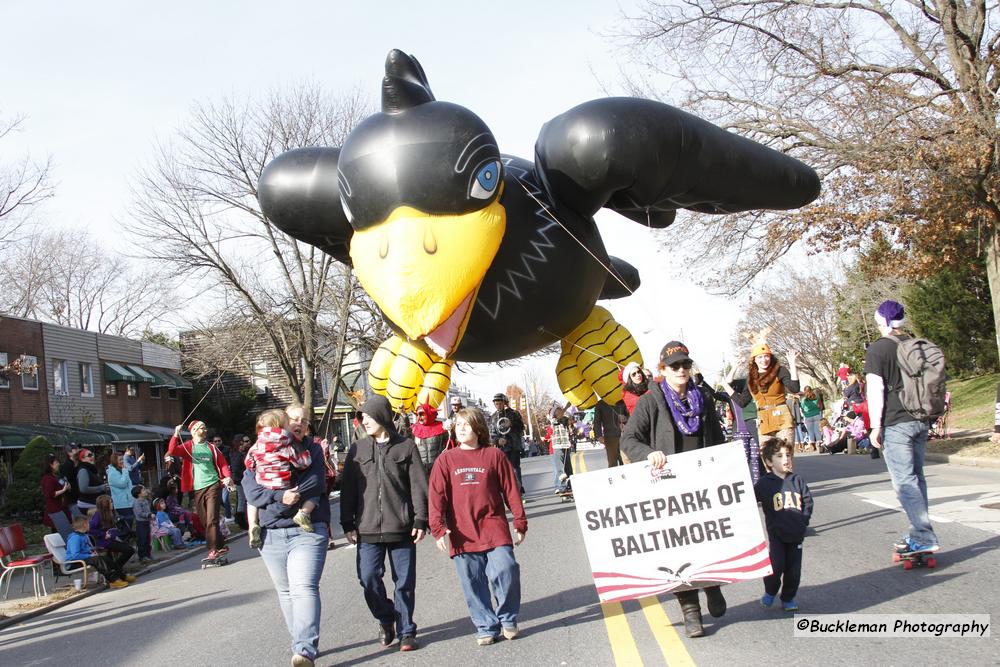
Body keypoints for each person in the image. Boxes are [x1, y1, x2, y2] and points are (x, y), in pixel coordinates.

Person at [620, 340, 728, 638]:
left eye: (685, 364)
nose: (681, 370)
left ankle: (712, 585)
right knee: (678, 552)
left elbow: (717, 437)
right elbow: (628, 440)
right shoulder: (650, 401)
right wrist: (648, 454)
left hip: (702, 484)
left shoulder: (702, 398)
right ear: (663, 370)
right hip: (668, 488)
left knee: (707, 541)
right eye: (674, 366)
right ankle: (690, 611)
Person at [428, 406, 527, 646]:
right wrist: (438, 527)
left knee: (506, 569)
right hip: (462, 531)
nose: (461, 428)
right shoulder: (446, 460)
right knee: (472, 582)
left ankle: (507, 617)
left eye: (466, 424)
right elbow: (436, 495)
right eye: (458, 424)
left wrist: (519, 521)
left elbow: (511, 490)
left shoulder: (494, 455)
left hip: (493, 525)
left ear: (478, 428)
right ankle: (485, 625)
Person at [243, 403, 331, 667]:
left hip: (307, 530)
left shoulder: (312, 449)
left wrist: (272, 502)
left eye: (304, 420)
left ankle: (304, 650)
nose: (299, 423)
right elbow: (250, 491)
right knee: (285, 591)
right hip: (271, 534)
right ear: (282, 422)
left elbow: (315, 483)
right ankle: (300, 643)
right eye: (294, 418)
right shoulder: (260, 447)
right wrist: (281, 497)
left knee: (303, 587)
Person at [340, 395, 428, 653]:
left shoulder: (406, 447)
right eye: (362, 417)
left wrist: (421, 519)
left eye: (368, 416)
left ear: (381, 416)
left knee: (404, 582)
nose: (363, 421)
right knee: (368, 578)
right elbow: (348, 489)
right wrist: (347, 522)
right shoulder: (357, 449)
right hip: (366, 528)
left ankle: (406, 631)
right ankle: (386, 617)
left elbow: (418, 487)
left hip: (401, 526)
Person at [865, 299, 939, 554]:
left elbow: (875, 389)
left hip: (896, 421)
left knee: (904, 482)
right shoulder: (916, 344)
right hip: (921, 418)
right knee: (917, 479)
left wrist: (875, 426)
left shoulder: (878, 349)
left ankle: (923, 536)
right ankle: (919, 531)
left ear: (883, 323)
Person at [754, 438, 813, 611]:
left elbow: (808, 501)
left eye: (788, 455)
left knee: (794, 571)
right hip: (777, 536)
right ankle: (770, 592)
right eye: (779, 456)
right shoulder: (764, 484)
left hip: (796, 535)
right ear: (769, 462)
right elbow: (749, 499)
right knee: (776, 567)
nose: (785, 459)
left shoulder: (797, 480)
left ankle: (788, 598)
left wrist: (803, 521)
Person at [245, 409, 316, 549]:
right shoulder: (286, 445)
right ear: (283, 426)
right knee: (312, 496)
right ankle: (303, 514)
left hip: (263, 483)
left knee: (251, 501)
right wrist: (305, 454)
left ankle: (253, 523)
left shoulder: (257, 445)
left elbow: (248, 462)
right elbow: (302, 463)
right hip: (282, 484)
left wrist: (258, 468)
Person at [167, 420, 235, 561]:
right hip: (197, 488)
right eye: (201, 428)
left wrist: (227, 477)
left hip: (213, 485)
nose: (204, 430)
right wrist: (175, 434)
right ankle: (221, 545)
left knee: (211, 519)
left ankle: (213, 549)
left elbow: (222, 464)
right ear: (193, 431)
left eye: (205, 427)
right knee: (204, 520)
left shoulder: (211, 447)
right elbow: (172, 451)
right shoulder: (188, 447)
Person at [725, 337, 800, 445]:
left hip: (782, 416)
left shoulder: (780, 370)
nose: (763, 360)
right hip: (763, 420)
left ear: (770, 357)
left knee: (784, 455)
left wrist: (792, 364)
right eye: (760, 357)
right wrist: (726, 384)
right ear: (754, 360)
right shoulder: (751, 378)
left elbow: (794, 388)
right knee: (768, 458)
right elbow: (742, 402)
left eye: (766, 356)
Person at [65, 515, 132, 589]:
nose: (89, 525)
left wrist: (92, 552)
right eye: (88, 523)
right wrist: (90, 556)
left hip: (83, 559)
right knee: (98, 560)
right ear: (84, 524)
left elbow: (86, 549)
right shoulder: (75, 538)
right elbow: (75, 555)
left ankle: (122, 576)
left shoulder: (83, 535)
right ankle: (113, 580)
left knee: (106, 558)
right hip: (74, 562)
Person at [89, 494, 136, 576]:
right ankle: (116, 568)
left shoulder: (110, 514)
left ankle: (115, 568)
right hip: (104, 542)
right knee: (129, 550)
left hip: (112, 539)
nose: (112, 504)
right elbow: (91, 530)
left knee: (128, 549)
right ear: (105, 505)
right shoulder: (98, 515)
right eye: (110, 502)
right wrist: (103, 534)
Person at [489, 393, 525, 495]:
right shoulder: (493, 417)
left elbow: (522, 427)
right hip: (501, 448)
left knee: (515, 468)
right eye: (496, 404)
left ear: (505, 403)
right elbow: (491, 434)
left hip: (514, 446)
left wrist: (512, 424)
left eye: (500, 403)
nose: (498, 405)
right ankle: (508, 491)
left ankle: (518, 490)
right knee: (503, 470)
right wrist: (497, 440)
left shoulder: (514, 414)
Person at [41, 453, 73, 540]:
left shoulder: (55, 476)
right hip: (54, 510)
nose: (58, 464)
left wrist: (66, 487)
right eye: (56, 462)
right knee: (58, 532)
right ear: (50, 465)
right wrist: (63, 490)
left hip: (60, 508)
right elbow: (50, 494)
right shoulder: (47, 478)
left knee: (61, 531)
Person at [412, 402, 447, 472]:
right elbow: (405, 435)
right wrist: (404, 416)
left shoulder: (442, 428)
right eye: (417, 414)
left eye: (421, 414)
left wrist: (451, 429)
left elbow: (450, 444)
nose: (419, 417)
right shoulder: (414, 429)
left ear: (429, 414)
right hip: (420, 468)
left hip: (438, 467)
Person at [106, 452, 135, 530]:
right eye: (120, 460)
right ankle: (124, 540)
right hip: (121, 504)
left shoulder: (120, 470)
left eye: (122, 459)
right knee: (126, 525)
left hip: (128, 502)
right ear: (114, 460)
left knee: (130, 523)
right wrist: (125, 470)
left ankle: (128, 539)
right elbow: (122, 484)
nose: (122, 461)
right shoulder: (112, 473)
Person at [592, 398, 624, 468]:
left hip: (624, 436)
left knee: (625, 461)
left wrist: (625, 419)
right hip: (610, 436)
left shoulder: (622, 401)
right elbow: (597, 421)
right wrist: (599, 436)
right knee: (612, 462)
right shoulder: (600, 404)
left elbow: (630, 414)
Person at [76, 449, 109, 513]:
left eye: (92, 454)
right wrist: (101, 487)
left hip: (94, 504)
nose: (92, 457)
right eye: (89, 455)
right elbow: (83, 489)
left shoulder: (91, 469)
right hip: (88, 505)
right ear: (82, 459)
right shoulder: (83, 470)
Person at [230, 434, 251, 530]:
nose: (244, 445)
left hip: (242, 480)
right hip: (240, 481)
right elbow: (236, 469)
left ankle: (242, 519)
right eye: (242, 443)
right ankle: (241, 521)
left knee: (242, 500)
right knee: (242, 501)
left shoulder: (240, 454)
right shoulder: (237, 455)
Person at [211, 435, 234, 522]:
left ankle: (229, 516)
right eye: (215, 441)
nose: (217, 442)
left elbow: (230, 461)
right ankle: (228, 508)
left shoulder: (227, 449)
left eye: (219, 441)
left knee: (224, 498)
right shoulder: (211, 450)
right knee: (219, 499)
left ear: (221, 441)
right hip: (215, 477)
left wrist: (230, 475)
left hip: (225, 476)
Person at [131, 485, 153, 562]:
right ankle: (142, 556)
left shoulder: (145, 501)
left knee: (148, 539)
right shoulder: (137, 502)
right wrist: (149, 515)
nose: (145, 491)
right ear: (139, 494)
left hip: (147, 522)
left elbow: (149, 507)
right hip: (141, 523)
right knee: (142, 539)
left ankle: (148, 554)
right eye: (143, 490)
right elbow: (139, 513)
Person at [60, 444, 81, 517]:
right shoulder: (66, 466)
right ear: (69, 453)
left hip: (80, 498)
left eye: (78, 448)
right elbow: (62, 480)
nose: (78, 451)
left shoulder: (79, 464)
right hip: (72, 499)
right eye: (75, 449)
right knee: (78, 520)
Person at [800, 387, 824, 452]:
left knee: (810, 432)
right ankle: (819, 445)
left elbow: (802, 408)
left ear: (804, 391)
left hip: (808, 416)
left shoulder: (803, 399)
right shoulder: (816, 397)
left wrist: (804, 413)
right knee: (817, 431)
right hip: (816, 415)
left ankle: (812, 446)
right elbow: (820, 407)